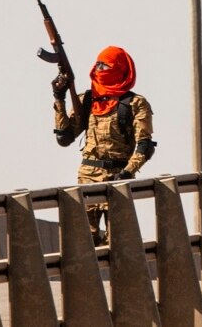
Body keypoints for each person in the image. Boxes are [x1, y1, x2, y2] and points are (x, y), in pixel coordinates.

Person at [51, 45, 155, 246]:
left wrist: (127, 172)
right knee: (83, 244)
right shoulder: (88, 99)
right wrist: (59, 98)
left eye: (105, 65)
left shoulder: (135, 103)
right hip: (87, 179)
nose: (99, 69)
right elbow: (64, 138)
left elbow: (145, 145)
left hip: (117, 178)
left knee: (118, 244)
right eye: (97, 64)